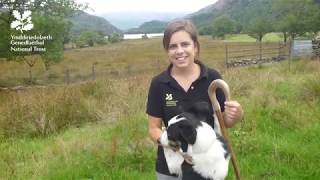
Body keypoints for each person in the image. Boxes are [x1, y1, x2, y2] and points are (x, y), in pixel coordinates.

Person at [146, 19, 243, 180]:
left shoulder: (212, 78)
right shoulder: (159, 84)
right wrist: (175, 147)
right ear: (167, 51)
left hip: (208, 168)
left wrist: (236, 115)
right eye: (173, 46)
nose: (179, 51)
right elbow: (153, 129)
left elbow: (225, 123)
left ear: (195, 47)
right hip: (171, 170)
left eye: (185, 44)